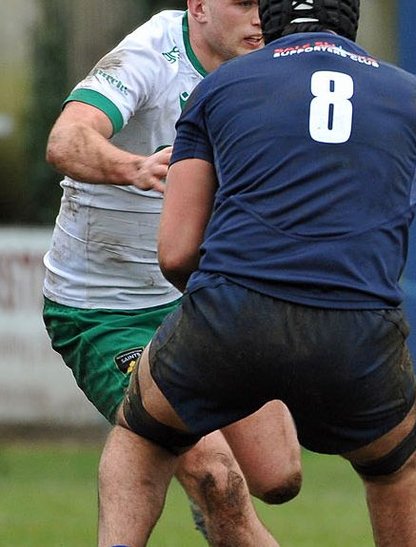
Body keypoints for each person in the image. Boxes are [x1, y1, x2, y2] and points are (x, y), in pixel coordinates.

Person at [94, 0, 416, 544]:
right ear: (352, 19)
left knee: (144, 439)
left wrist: (230, 309)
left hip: (230, 314)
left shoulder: (220, 88)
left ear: (270, 21)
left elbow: (177, 253)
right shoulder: (415, 97)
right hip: (357, 334)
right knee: (396, 469)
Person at [40, 2, 301, 543]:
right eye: (243, 3)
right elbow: (65, 139)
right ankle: (202, 487)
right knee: (216, 477)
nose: (259, 16)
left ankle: (206, 504)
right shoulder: (151, 54)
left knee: (280, 477)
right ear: (199, 8)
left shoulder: (273, 64)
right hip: (107, 311)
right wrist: (134, 167)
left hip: (200, 295)